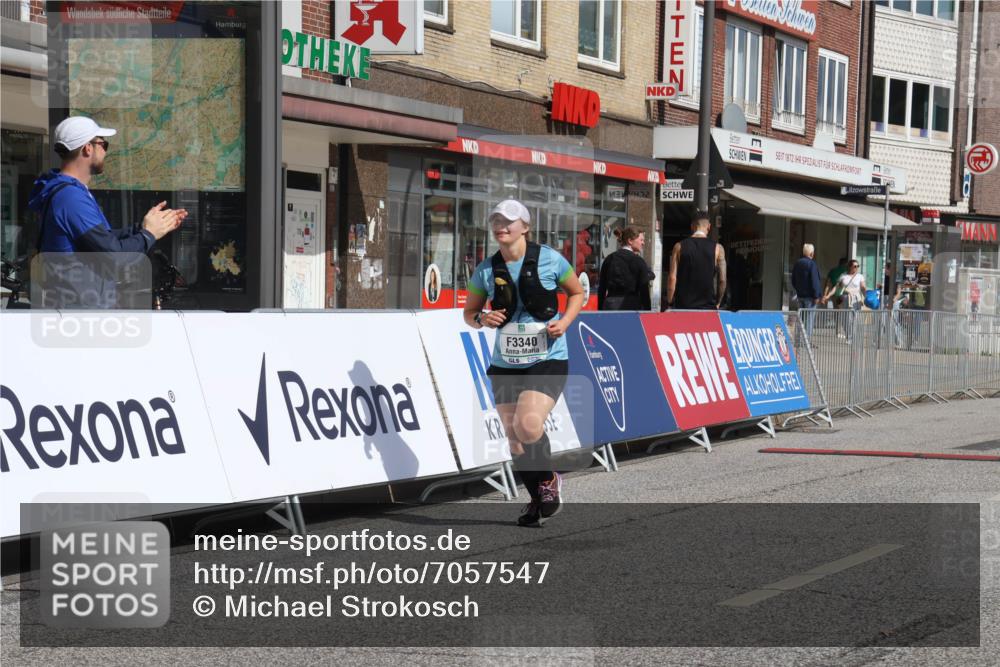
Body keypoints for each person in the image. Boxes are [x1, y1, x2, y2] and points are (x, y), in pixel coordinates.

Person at [464, 199, 585, 527]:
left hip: (548, 357)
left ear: (525, 227)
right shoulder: (486, 269)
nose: (501, 226)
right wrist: (482, 317)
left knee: (528, 424)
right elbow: (469, 313)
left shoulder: (550, 259)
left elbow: (577, 293)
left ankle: (549, 482)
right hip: (505, 362)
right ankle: (536, 498)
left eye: (509, 221)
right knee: (514, 437)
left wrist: (566, 322)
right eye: (497, 221)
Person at [28, 116, 186, 308]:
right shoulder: (70, 198)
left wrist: (143, 227)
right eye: (103, 144)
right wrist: (148, 235)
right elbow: (113, 256)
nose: (105, 151)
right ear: (87, 148)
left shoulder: (70, 192)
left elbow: (103, 240)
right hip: (79, 315)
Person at [666, 212, 726, 310]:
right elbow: (722, 280)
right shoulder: (718, 248)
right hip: (708, 307)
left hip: (683, 306)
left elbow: (672, 278)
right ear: (709, 227)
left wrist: (670, 301)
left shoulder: (679, 247)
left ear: (692, 227)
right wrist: (718, 302)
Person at [597, 225, 655, 310]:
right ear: (630, 241)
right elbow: (644, 292)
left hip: (610, 306)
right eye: (641, 240)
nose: (643, 243)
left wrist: (600, 310)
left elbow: (602, 288)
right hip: (631, 307)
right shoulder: (639, 261)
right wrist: (647, 312)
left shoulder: (609, 259)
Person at [822, 259, 866, 343]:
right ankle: (849, 336)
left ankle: (852, 338)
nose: (856, 268)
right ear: (850, 267)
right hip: (845, 298)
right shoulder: (843, 276)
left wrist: (864, 297)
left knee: (854, 319)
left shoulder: (860, 276)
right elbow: (836, 287)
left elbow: (863, 287)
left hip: (856, 299)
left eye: (858, 266)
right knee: (845, 319)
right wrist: (828, 295)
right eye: (855, 266)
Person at [791, 243, 822, 339]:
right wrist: (816, 296)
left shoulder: (797, 263)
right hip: (810, 298)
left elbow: (793, 280)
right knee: (809, 320)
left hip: (800, 296)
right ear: (812, 253)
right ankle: (806, 342)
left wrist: (798, 290)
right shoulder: (812, 264)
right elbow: (815, 281)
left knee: (801, 319)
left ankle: (798, 339)